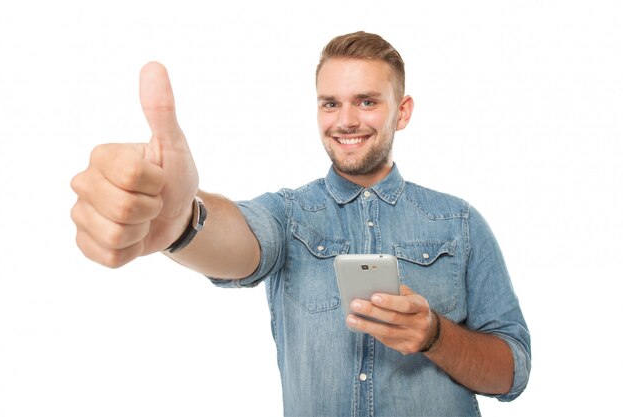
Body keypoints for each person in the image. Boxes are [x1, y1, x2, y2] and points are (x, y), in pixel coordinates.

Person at [71, 31, 531, 416]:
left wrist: (435, 335)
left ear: (402, 111)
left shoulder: (460, 224)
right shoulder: (288, 214)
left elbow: (513, 371)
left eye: (366, 101)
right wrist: (182, 221)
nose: (345, 121)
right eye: (330, 104)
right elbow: (242, 241)